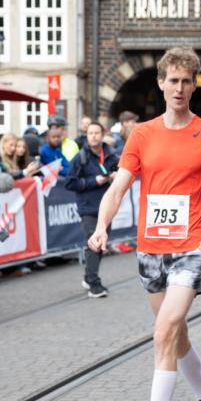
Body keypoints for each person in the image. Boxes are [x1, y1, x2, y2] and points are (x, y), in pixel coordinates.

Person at [87, 47, 201, 401]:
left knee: (164, 332)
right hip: (151, 249)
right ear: (161, 83)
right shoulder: (142, 135)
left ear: (195, 84)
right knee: (176, 334)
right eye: (173, 80)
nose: (180, 88)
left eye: (188, 81)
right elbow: (118, 187)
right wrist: (101, 227)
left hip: (191, 247)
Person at [66, 121, 119, 299]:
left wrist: (115, 176)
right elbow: (70, 182)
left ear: (103, 134)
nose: (94, 136)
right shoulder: (80, 157)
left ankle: (89, 277)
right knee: (94, 244)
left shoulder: (111, 155)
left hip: (107, 207)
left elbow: (122, 172)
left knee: (101, 244)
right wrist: (93, 181)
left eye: (96, 133)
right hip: (88, 207)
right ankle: (94, 284)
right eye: (90, 133)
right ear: (86, 136)